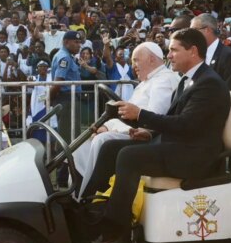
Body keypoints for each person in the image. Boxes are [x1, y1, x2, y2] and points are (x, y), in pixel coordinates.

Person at [78, 28, 230, 243]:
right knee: (111, 146)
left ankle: (115, 232)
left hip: (195, 156)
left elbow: (186, 125)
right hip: (180, 145)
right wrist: (149, 133)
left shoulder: (207, 83)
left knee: (129, 157)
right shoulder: (188, 80)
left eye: (174, 50)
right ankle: (89, 209)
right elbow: (176, 119)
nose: (169, 56)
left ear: (193, 51)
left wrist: (140, 115)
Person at [72, 42, 179, 195]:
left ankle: (90, 194)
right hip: (129, 129)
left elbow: (152, 118)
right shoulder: (146, 82)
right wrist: (107, 126)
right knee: (79, 148)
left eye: (136, 60)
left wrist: (111, 129)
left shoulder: (163, 80)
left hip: (145, 135)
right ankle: (76, 194)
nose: (133, 65)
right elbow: (126, 112)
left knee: (102, 140)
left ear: (152, 59)